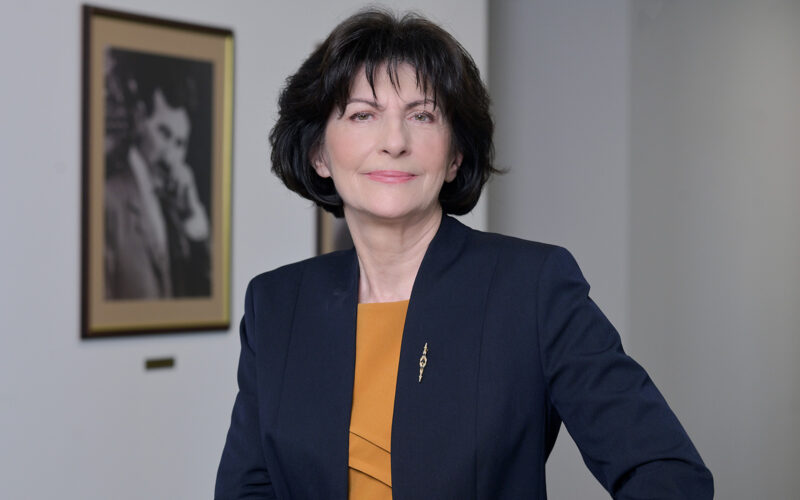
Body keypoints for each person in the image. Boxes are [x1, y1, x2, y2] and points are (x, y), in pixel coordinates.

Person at [216, 9, 713, 499]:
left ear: (455, 156)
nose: (395, 142)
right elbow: (247, 490)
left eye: (422, 115)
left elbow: (668, 474)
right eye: (363, 114)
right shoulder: (276, 303)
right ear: (318, 154)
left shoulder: (531, 287)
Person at [104, 52, 211, 300]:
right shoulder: (109, 198)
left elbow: (204, 289)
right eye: (164, 133)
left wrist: (192, 216)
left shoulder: (175, 206)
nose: (171, 155)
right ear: (140, 120)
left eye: (180, 143)